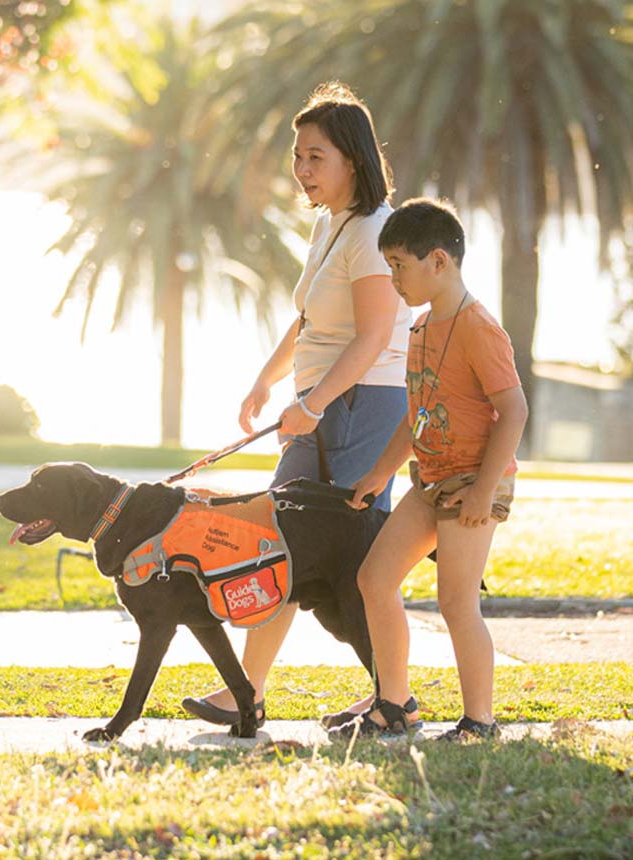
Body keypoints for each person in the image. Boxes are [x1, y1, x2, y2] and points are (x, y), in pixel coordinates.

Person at [182, 81, 412, 727]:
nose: (301, 170)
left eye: (315, 157)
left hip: (365, 406)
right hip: (318, 405)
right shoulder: (329, 224)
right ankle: (247, 691)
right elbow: (310, 322)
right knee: (273, 538)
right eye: (298, 156)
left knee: (355, 557)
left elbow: (372, 338)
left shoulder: (373, 230)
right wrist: (266, 380)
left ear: (352, 161)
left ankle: (392, 696)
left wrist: (310, 405)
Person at [332, 198, 528, 741]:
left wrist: (483, 493)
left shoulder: (478, 328)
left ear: (437, 261)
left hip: (472, 479)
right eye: (388, 265)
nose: (392, 276)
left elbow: (514, 411)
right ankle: (393, 703)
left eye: (399, 264)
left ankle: (479, 721)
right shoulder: (420, 329)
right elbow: (414, 415)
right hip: (430, 477)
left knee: (456, 602)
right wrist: (379, 473)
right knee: (374, 578)